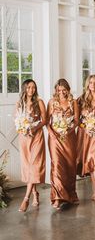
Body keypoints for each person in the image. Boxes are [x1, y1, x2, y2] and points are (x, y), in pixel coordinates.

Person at [47, 78, 79, 209]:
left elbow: (76, 121)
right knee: (57, 166)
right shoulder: (52, 102)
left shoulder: (74, 102)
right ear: (56, 90)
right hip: (55, 139)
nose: (61, 92)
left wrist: (69, 130)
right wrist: (52, 134)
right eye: (59, 90)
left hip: (69, 138)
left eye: (64, 90)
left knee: (70, 165)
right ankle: (57, 197)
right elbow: (46, 122)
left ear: (68, 89)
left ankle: (71, 194)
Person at [16, 79, 46, 212]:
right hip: (24, 138)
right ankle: (35, 193)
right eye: (28, 87)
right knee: (28, 167)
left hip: (37, 136)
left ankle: (26, 199)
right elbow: (17, 121)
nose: (31, 90)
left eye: (33, 87)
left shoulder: (39, 102)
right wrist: (21, 128)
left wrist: (34, 128)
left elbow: (44, 120)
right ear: (24, 88)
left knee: (34, 165)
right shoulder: (19, 103)